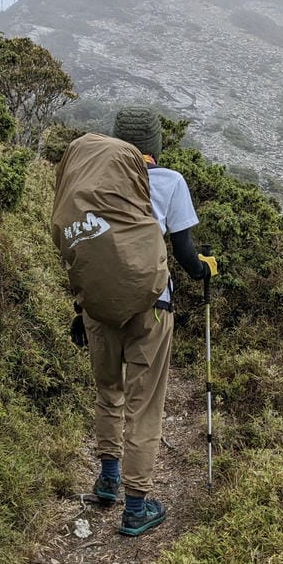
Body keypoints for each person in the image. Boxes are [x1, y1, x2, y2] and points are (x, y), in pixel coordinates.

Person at [82, 106, 216, 536]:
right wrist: (206, 270)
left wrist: (78, 308)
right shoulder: (170, 182)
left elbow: (85, 249)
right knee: (145, 406)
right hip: (151, 307)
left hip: (98, 304)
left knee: (109, 392)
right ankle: (136, 507)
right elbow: (185, 255)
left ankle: (108, 480)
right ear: (156, 147)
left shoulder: (96, 182)